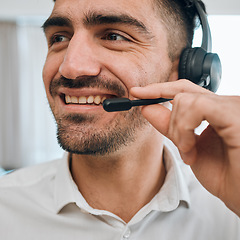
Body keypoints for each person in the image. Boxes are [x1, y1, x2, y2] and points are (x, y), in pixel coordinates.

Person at [0, 0, 239, 239]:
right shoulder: (5, 209)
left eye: (114, 36)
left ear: (185, 72)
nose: (70, 67)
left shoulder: (231, 208)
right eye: (60, 38)